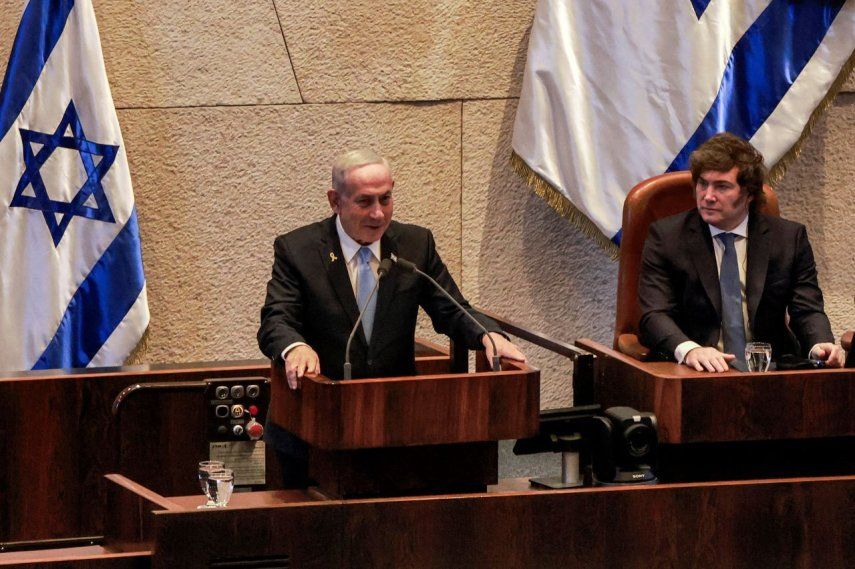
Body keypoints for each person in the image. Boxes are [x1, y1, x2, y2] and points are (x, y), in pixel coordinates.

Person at [257, 149, 526, 485]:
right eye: (365, 201)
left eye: (386, 198)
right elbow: (275, 320)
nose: (378, 213)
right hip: (313, 430)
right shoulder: (298, 250)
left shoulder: (414, 244)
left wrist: (488, 335)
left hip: (392, 426)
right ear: (335, 200)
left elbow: (452, 309)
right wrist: (295, 346)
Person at [638, 132, 845, 373]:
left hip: (771, 373)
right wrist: (689, 349)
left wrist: (820, 344)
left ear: (748, 193)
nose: (707, 196)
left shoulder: (788, 239)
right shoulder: (667, 237)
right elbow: (654, 314)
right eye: (702, 183)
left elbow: (807, 309)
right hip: (697, 372)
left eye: (722, 186)